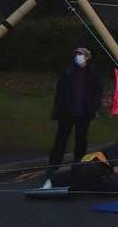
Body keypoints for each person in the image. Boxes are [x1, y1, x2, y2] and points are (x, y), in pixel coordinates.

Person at [46, 47, 102, 185]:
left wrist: (93, 108)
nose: (78, 57)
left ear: (88, 57)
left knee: (81, 140)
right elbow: (60, 92)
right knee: (61, 139)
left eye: (81, 55)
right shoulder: (68, 72)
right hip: (67, 111)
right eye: (77, 54)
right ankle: (53, 166)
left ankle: (79, 166)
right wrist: (58, 109)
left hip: (84, 112)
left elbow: (97, 92)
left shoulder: (92, 74)